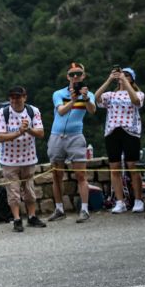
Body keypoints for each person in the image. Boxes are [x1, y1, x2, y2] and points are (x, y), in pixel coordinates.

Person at [48, 62, 97, 223]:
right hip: (57, 136)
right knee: (56, 175)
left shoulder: (88, 94)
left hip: (76, 136)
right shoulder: (58, 93)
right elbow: (61, 111)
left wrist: (85, 98)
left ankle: (84, 209)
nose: (75, 77)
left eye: (78, 73)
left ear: (83, 76)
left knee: (81, 174)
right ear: (67, 77)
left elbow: (92, 110)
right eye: (72, 74)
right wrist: (73, 100)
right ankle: (59, 209)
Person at [0, 86, 47, 232]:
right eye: (12, 97)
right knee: (13, 192)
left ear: (24, 97)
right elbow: (1, 136)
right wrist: (19, 132)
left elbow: (41, 133)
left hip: (29, 158)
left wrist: (28, 129)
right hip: (9, 160)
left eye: (18, 97)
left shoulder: (33, 111)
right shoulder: (3, 113)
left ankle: (32, 217)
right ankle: (17, 219)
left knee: (29, 191)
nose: (15, 100)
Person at [95, 67, 144, 214]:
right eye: (122, 74)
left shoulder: (138, 93)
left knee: (132, 166)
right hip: (112, 131)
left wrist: (125, 81)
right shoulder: (110, 94)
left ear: (132, 78)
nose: (123, 76)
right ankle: (120, 201)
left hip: (131, 132)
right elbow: (97, 97)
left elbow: (136, 101)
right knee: (114, 167)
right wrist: (110, 79)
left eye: (128, 75)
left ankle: (138, 200)